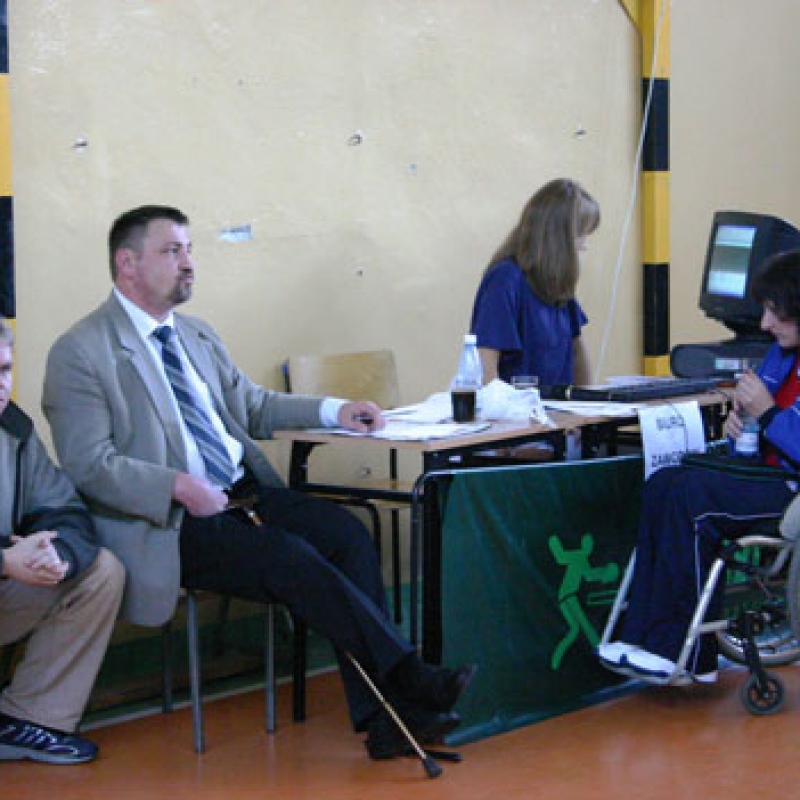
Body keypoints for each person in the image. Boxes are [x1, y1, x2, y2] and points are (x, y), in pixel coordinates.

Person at [42, 205, 474, 761]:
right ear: (127, 264)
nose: (188, 263)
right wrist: (176, 485)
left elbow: (252, 405)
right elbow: (88, 464)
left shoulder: (195, 334)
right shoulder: (81, 351)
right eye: (172, 251)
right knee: (288, 556)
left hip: (238, 492)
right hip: (169, 521)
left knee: (345, 535)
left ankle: (383, 716)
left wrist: (335, 410)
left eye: (189, 249)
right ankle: (407, 678)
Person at [598, 249, 800, 683]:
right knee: (664, 483)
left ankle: (685, 655)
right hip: (765, 474)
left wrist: (765, 414)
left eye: (775, 312)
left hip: (792, 491)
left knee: (694, 500)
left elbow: (785, 430)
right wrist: (740, 426)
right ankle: (641, 636)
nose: (766, 323)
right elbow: (760, 428)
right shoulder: (781, 355)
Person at [0, 320, 124, 764]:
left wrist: (57, 555)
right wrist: (5, 560)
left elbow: (62, 506)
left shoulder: (14, 430)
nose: (1, 384)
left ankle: (26, 719)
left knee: (100, 571)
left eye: (5, 369)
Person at [469, 177, 600, 387]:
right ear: (558, 237)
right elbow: (486, 363)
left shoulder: (557, 284)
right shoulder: (505, 280)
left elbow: (577, 351)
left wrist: (588, 399)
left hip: (558, 406)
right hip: (515, 406)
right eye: (580, 235)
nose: (584, 246)